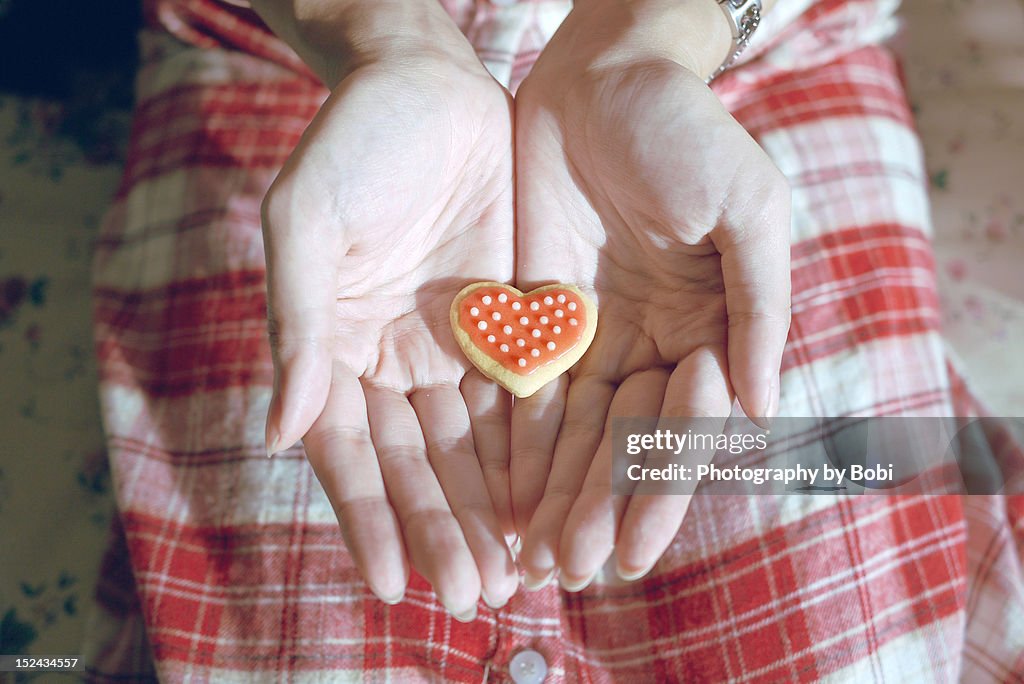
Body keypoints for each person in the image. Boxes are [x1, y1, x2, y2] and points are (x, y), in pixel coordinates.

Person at [85, 0, 1023, 680]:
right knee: (295, 642)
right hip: (300, 68)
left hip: (748, 65)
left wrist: (654, 35)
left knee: (860, 629)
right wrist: (372, 31)